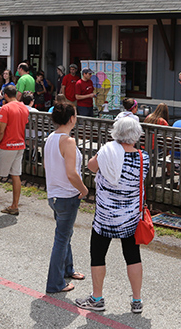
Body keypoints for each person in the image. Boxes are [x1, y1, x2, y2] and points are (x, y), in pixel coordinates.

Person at [76, 115, 148, 314]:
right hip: (131, 217)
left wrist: (108, 149)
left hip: (105, 216)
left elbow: (91, 167)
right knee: (133, 257)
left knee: (98, 256)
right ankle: (136, 300)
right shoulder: (144, 158)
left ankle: (97, 298)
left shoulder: (106, 152)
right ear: (136, 134)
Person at [44, 102, 89, 294]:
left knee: (65, 234)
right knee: (62, 238)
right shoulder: (68, 142)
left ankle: (68, 269)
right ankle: (55, 282)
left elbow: (48, 166)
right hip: (67, 195)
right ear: (71, 118)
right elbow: (72, 173)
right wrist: (84, 189)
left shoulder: (51, 138)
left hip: (54, 195)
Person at [0, 87, 29, 215]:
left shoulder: (6, 108)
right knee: (16, 175)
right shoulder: (24, 107)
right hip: (20, 144)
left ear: (5, 95)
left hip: (7, 145)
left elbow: (1, 130)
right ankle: (14, 205)